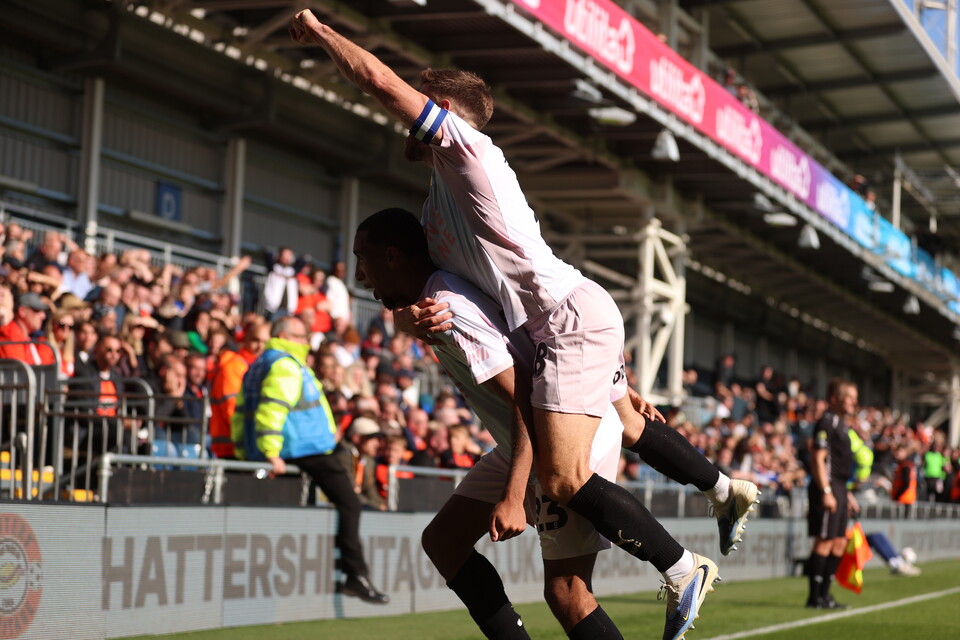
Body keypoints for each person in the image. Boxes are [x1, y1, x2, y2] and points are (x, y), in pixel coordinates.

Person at [291, 16, 757, 629]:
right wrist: (410, 315)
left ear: (445, 107)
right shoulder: (439, 205)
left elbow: (376, 79)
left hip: (564, 321)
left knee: (562, 487)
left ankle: (680, 566)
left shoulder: (467, 151)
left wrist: (321, 31)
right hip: (550, 336)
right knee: (492, 555)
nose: (409, 112)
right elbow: (421, 283)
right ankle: (722, 491)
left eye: (422, 97)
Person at [353, 208, 722, 640]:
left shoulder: (449, 310)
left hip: (557, 434)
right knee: (444, 540)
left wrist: (513, 496)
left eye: (363, 259)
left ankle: (681, 566)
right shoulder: (437, 296)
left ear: (393, 256)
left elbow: (528, 398)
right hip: (527, 437)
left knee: (567, 592)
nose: (361, 275)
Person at [231, 315, 388, 604]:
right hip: (304, 449)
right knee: (350, 503)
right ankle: (355, 576)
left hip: (296, 448)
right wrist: (271, 453)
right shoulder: (285, 364)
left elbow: (241, 414)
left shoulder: (262, 362)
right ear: (287, 336)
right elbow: (272, 410)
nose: (307, 342)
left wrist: (246, 451)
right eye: (302, 336)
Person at [806, 379, 860, 610]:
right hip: (826, 487)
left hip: (839, 487)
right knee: (825, 541)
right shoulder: (826, 422)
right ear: (836, 398)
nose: (854, 402)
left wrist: (846, 494)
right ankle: (814, 597)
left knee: (839, 542)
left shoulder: (841, 425)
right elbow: (818, 460)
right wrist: (826, 491)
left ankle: (826, 596)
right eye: (849, 397)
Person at [209, 319, 270, 459]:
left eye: (265, 342)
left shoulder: (258, 367)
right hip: (234, 447)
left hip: (249, 444)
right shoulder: (233, 367)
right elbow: (233, 410)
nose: (260, 346)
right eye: (255, 340)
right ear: (245, 341)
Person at [0, 292, 54, 365]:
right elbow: (19, 372)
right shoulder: (9, 335)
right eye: (37, 310)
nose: (43, 316)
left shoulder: (26, 337)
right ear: (22, 311)